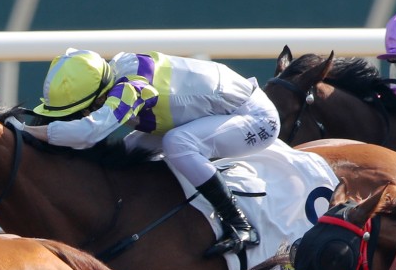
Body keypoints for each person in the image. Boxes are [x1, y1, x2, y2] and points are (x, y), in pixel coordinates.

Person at [14, 48, 280, 257]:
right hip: (204, 115)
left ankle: (240, 224)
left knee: (178, 143)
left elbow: (88, 134)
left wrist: (28, 131)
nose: (82, 116)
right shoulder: (111, 77)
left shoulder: (133, 86)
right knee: (130, 152)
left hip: (254, 119)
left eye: (82, 111)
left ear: (97, 98)